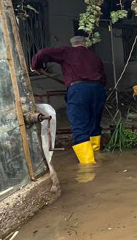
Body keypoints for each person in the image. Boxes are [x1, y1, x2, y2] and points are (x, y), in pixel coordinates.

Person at [31, 36, 106, 165]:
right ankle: (97, 155)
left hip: (78, 91)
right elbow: (104, 78)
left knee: (79, 126)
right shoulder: (95, 57)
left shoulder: (67, 52)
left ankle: (88, 166)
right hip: (98, 90)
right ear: (85, 44)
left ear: (73, 44)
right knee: (94, 124)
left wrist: (35, 66)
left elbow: (42, 53)